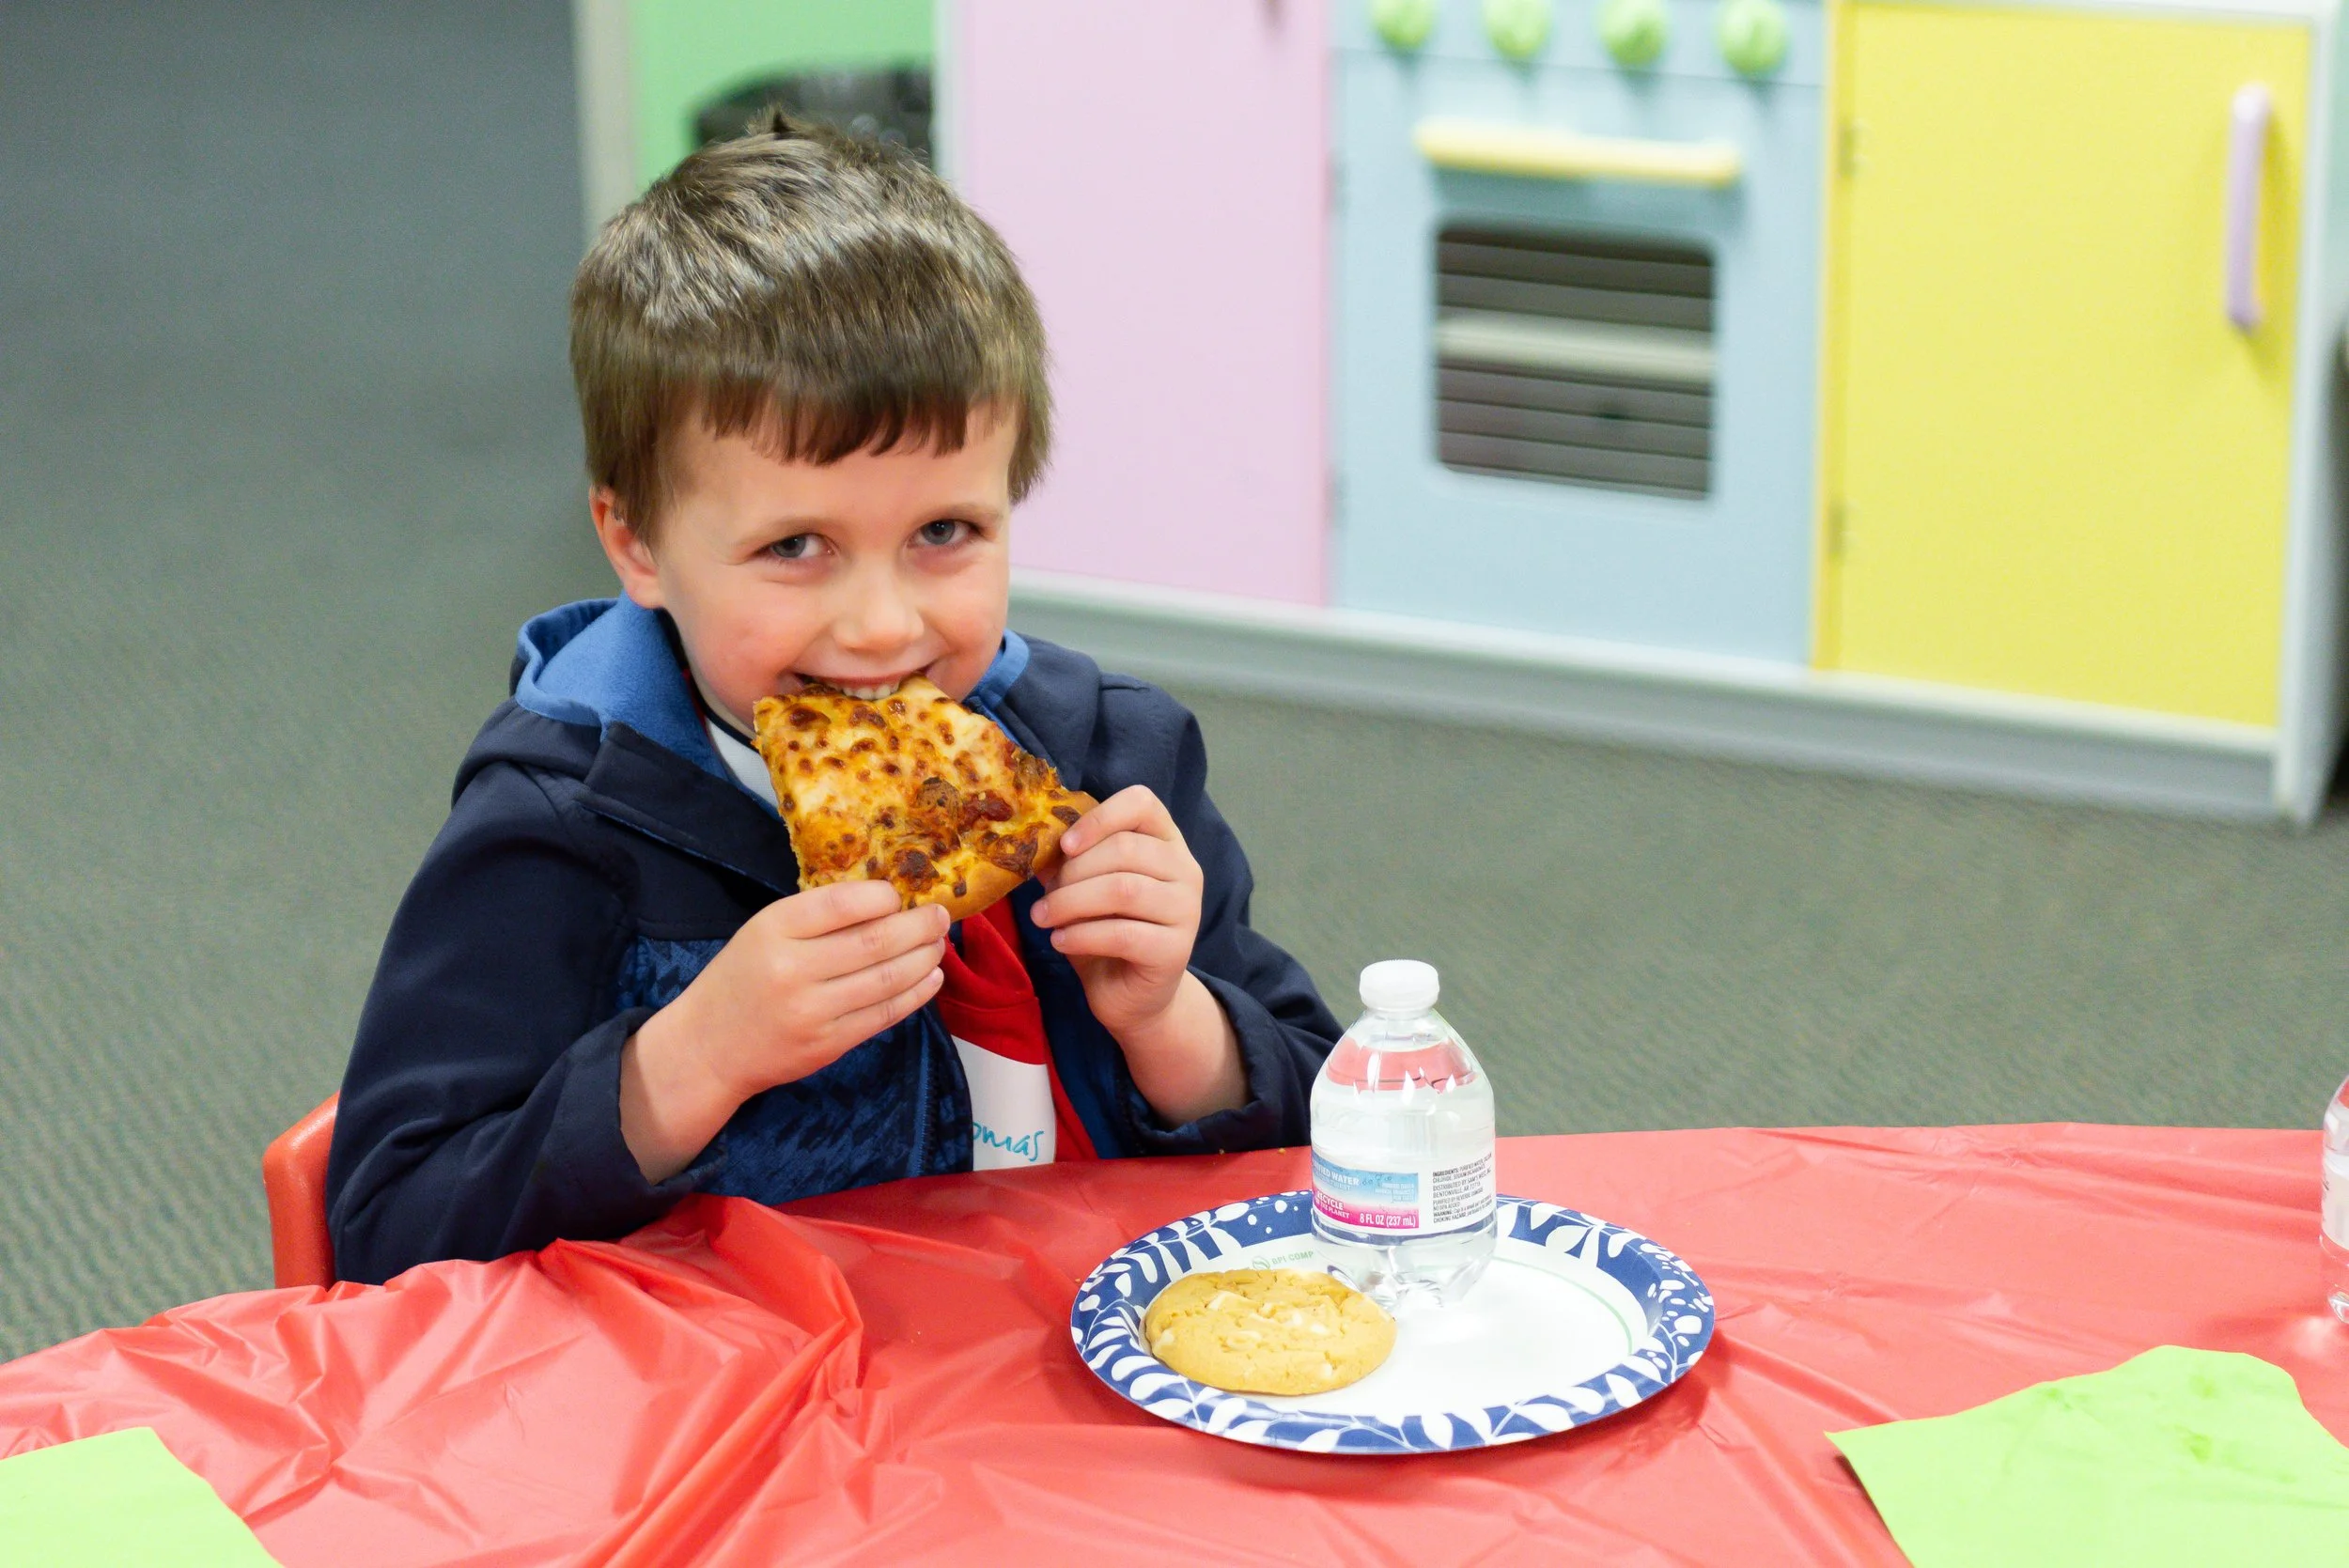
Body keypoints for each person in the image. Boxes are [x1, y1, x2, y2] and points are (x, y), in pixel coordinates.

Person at [324, 115, 1342, 1284]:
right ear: (636, 541)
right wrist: (692, 1059)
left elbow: (1331, 1134)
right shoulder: (561, 825)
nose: (882, 626)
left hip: (1073, 1335)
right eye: (796, 546)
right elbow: (386, 1235)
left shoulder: (1111, 756)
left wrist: (1172, 1021)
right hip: (735, 1373)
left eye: (944, 532)